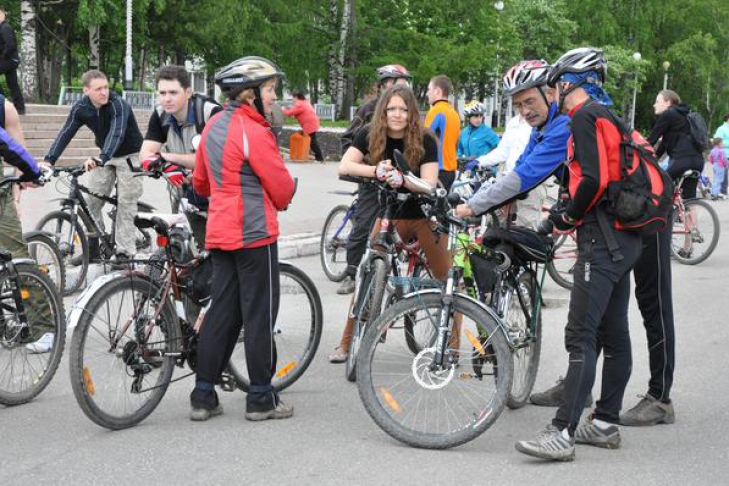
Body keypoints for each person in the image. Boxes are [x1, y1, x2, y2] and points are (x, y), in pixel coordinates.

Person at [515, 47, 643, 462]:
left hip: (600, 242)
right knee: (614, 332)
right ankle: (604, 424)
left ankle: (562, 432)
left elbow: (594, 179)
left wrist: (567, 215)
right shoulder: (610, 116)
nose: (554, 94)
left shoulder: (584, 116)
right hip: (624, 239)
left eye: (556, 86)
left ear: (569, 83)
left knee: (580, 336)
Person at [190, 56, 296, 422]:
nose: (274, 97)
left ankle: (203, 395)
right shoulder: (254, 130)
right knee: (258, 315)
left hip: (220, 232)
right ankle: (261, 397)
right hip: (254, 233)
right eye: (269, 90)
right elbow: (281, 189)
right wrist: (282, 194)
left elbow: (200, 182)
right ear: (250, 95)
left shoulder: (212, 125)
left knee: (221, 313)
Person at [329, 84, 451, 363]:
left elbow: (430, 184)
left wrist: (404, 179)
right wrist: (376, 171)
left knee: (446, 279)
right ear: (383, 111)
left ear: (412, 113)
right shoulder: (369, 133)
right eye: (391, 108)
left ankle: (451, 346)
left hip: (423, 215)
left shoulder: (425, 139)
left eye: (403, 109)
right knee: (367, 273)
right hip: (390, 214)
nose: (397, 114)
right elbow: (344, 166)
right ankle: (346, 343)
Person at [454, 60, 570, 234]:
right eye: (518, 105)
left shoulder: (562, 126)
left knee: (527, 231)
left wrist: (473, 206)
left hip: (602, 215)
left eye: (529, 101)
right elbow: (521, 163)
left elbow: (528, 172)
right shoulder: (539, 127)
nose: (524, 111)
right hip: (531, 185)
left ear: (550, 94)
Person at [44, 70, 143, 261]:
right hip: (105, 155)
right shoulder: (81, 108)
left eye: (106, 87)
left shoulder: (118, 104)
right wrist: (49, 160)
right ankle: (94, 250)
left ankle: (125, 254)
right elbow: (66, 132)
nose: (104, 92)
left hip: (129, 155)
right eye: (98, 89)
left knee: (126, 203)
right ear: (86, 90)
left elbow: (117, 133)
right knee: (91, 203)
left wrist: (102, 157)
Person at [334, 64, 412, 297]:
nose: (403, 86)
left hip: (398, 180)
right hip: (371, 179)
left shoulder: (408, 110)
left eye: (405, 82)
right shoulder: (368, 110)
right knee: (364, 223)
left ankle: (390, 272)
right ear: (385, 84)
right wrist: (365, 166)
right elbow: (348, 140)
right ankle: (351, 273)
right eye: (398, 82)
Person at [140, 65, 222, 249]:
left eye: (173, 92)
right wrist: (165, 166)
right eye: (162, 93)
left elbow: (209, 160)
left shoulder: (211, 113)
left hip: (217, 196)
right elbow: (145, 154)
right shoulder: (160, 115)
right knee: (183, 249)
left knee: (218, 251)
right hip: (184, 194)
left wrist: (167, 157)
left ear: (188, 92)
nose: (167, 99)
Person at [0, 95, 52, 352]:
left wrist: (23, 183)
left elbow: (13, 147)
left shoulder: (5, 107)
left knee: (14, 257)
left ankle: (43, 328)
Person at [648, 90, 705, 200]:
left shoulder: (668, 114)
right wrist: (655, 157)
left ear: (668, 102)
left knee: (658, 187)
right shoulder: (685, 116)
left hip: (681, 161)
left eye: (657, 101)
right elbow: (664, 143)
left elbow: (652, 139)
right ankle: (687, 210)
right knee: (689, 199)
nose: (654, 105)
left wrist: (637, 150)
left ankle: (662, 211)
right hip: (698, 161)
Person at [425, 75, 460, 191]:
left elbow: (423, 139)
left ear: (437, 91)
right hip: (451, 171)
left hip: (437, 170)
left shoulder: (436, 111)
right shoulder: (454, 113)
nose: (427, 93)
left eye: (429, 90)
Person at [283, 92, 324, 162]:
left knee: (312, 141)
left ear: (296, 97)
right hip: (313, 122)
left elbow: (289, 113)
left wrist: (283, 110)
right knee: (312, 140)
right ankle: (318, 157)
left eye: (293, 98)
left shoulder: (299, 104)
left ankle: (319, 158)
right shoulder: (305, 102)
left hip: (309, 123)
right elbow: (299, 112)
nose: (292, 100)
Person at [0, 8, 24, 114]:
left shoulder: (5, 28)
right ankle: (20, 108)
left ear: (2, 15)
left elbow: (10, 45)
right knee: (12, 83)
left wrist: (3, 57)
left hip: (9, 60)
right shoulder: (3, 27)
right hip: (11, 60)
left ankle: (2, 102)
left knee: (12, 83)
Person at [713, 113, 729, 196]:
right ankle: (722, 191)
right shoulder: (721, 129)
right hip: (724, 155)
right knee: (723, 174)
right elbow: (717, 141)